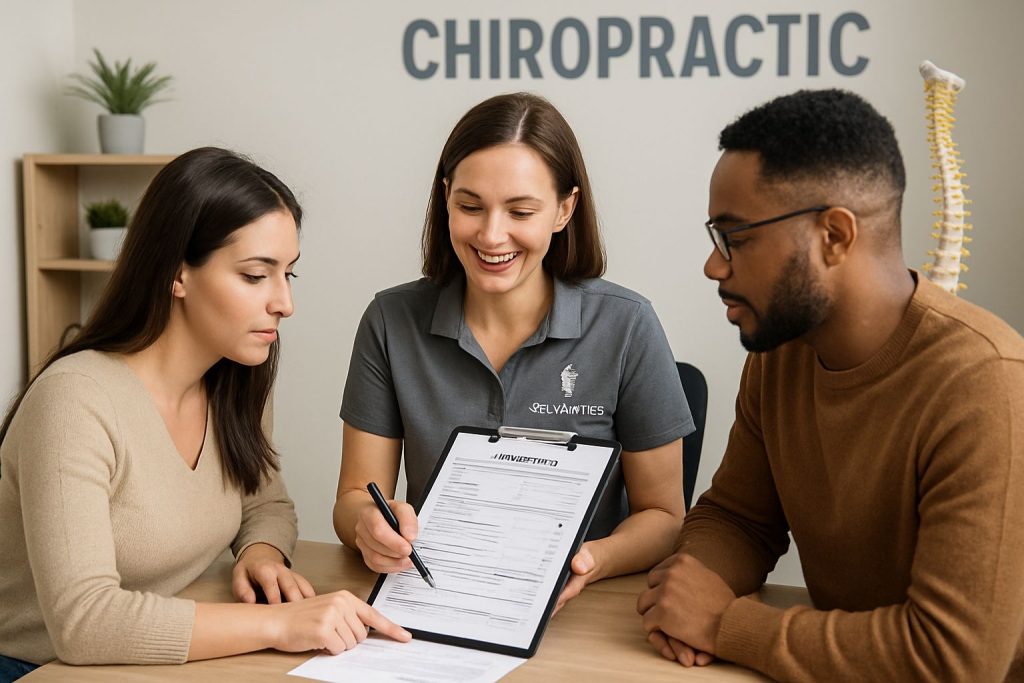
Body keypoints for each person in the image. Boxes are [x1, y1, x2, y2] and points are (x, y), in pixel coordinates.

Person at [637, 89, 1024, 681]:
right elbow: (740, 518)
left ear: (835, 236)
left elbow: (953, 660)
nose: (714, 266)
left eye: (735, 238)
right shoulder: (783, 353)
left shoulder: (986, 385)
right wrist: (689, 587)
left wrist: (724, 625)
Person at [0, 147, 409, 682]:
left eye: (289, 274)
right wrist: (281, 625)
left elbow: (265, 502)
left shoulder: (235, 377)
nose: (284, 302)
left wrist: (262, 556)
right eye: (256, 275)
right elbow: (85, 622)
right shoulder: (75, 401)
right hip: (38, 668)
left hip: (151, 658)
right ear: (177, 274)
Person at [333, 92, 694, 610]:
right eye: (469, 206)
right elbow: (353, 499)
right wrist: (368, 527)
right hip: (433, 597)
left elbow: (664, 517)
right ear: (445, 199)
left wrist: (592, 560)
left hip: (581, 608)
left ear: (564, 209)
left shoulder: (627, 324)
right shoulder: (391, 320)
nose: (491, 234)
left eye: (520, 210)